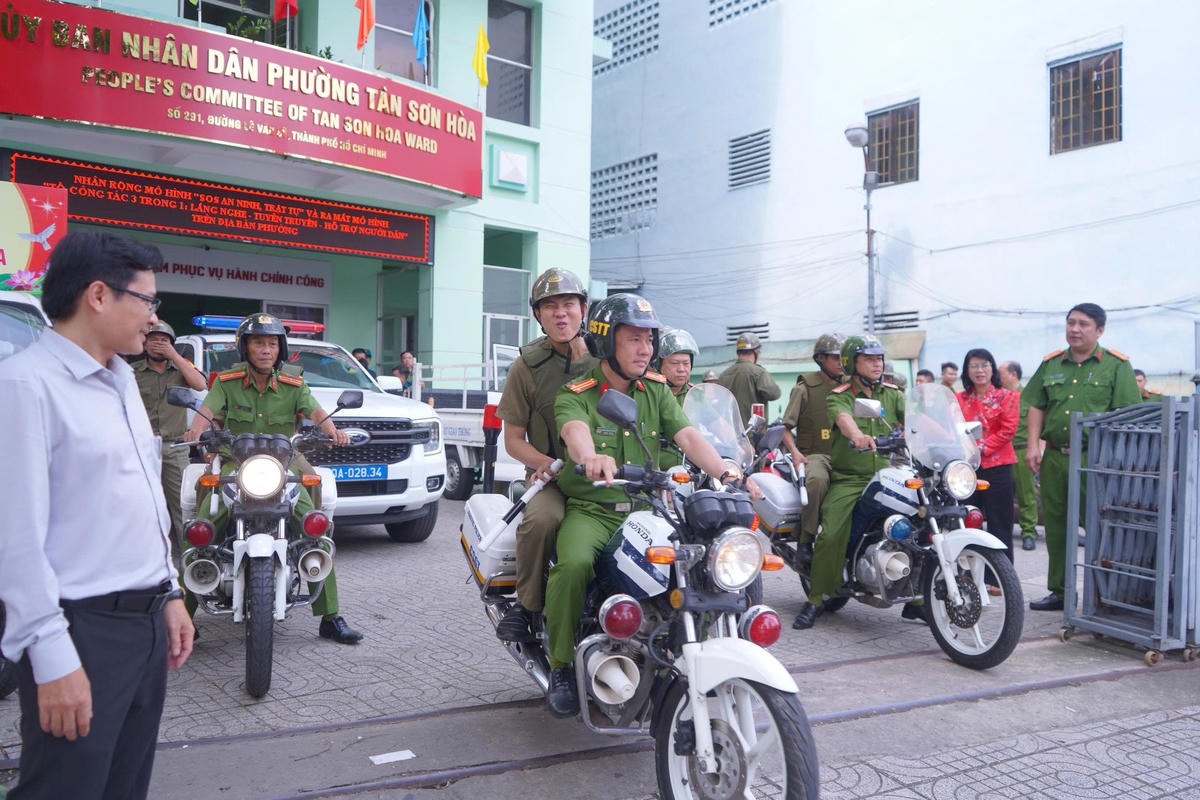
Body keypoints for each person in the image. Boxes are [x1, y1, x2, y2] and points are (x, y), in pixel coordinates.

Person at [0, 231, 193, 799]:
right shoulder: (24, 386)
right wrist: (51, 654)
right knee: (64, 788)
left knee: (123, 786)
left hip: (146, 625)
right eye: (149, 302)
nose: (155, 320)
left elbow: (144, 500)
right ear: (99, 296)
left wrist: (171, 590)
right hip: (79, 632)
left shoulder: (120, 381)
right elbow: (14, 539)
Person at [544, 294, 761, 716]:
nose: (646, 350)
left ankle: (680, 651)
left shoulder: (656, 392)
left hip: (646, 509)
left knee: (693, 563)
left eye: (649, 340)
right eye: (634, 340)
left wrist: (728, 472)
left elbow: (688, 436)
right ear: (607, 343)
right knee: (572, 567)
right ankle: (561, 666)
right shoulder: (578, 392)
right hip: (593, 512)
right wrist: (590, 456)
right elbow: (574, 431)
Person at [183, 313, 362, 643]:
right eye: (257, 343)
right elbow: (207, 411)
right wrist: (197, 432)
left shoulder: (294, 385)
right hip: (235, 464)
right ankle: (183, 619)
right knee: (203, 527)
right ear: (245, 348)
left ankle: (330, 615)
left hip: (284, 465)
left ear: (281, 349)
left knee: (314, 525)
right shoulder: (227, 381)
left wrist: (333, 431)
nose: (265, 350)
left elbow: (316, 412)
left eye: (271, 344)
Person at [493, 268, 598, 643]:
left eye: (568, 304)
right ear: (538, 315)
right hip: (550, 477)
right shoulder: (526, 366)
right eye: (550, 306)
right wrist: (541, 464)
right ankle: (527, 606)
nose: (560, 314)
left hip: (605, 476)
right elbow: (513, 440)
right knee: (540, 521)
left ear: (583, 309)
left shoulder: (605, 361)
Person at [1023, 303, 1140, 611]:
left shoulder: (1116, 365)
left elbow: (1127, 416)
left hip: (1096, 459)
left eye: (1083, 324)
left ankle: (1107, 592)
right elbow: (1036, 404)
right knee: (1058, 526)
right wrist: (1033, 445)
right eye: (1071, 323)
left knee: (1101, 525)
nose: (1074, 329)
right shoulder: (1051, 364)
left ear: (1099, 330)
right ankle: (1061, 592)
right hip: (1057, 459)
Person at [794, 334, 905, 630]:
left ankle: (919, 601)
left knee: (918, 521)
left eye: (879, 358)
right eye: (869, 359)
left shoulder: (893, 394)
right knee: (831, 534)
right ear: (851, 363)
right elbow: (843, 417)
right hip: (852, 478)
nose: (877, 364)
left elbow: (916, 419)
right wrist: (857, 436)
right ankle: (816, 598)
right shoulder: (840, 394)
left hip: (888, 475)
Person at [134, 320, 208, 558]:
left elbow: (200, 385)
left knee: (183, 506)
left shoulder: (181, 370)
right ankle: (147, 559)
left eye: (164, 341)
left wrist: (175, 356)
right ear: (144, 343)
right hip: (141, 448)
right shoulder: (132, 372)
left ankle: (189, 562)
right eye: (154, 340)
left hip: (175, 448)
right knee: (142, 506)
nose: (159, 344)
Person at [780, 333, 843, 560]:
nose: (841, 362)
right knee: (816, 481)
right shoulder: (804, 388)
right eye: (836, 358)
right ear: (820, 359)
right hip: (815, 455)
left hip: (848, 456)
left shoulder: (851, 388)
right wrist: (795, 453)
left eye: (844, 358)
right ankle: (805, 539)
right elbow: (785, 428)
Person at [957, 348, 1019, 572]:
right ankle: (964, 572)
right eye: (974, 366)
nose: (979, 370)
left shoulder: (1008, 397)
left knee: (1000, 522)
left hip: (998, 467)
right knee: (965, 519)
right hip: (965, 469)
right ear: (967, 371)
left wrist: (980, 447)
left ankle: (1000, 576)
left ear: (993, 368)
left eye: (984, 365)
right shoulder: (958, 399)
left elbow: (1008, 430)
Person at [999, 360, 1039, 551]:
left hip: (1022, 450)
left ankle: (1029, 532)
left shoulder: (1029, 397)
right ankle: (1004, 530)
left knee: (1026, 494)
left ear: (1013, 374)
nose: (998, 377)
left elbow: (1040, 426)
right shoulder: (999, 397)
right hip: (1002, 451)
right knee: (1004, 495)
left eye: (1001, 373)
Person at [718, 331, 781, 425]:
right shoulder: (759, 372)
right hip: (752, 434)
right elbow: (774, 394)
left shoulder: (723, 375)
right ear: (756, 351)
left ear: (738, 352)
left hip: (729, 434)